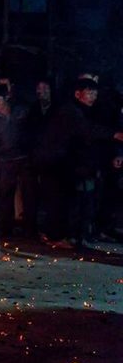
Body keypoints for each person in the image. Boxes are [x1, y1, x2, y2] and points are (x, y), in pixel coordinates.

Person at [36, 76, 123, 247]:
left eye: (95, 93)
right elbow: (86, 130)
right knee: (57, 200)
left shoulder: (81, 111)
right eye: (89, 93)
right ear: (78, 94)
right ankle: (54, 237)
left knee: (64, 200)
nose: (93, 97)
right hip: (54, 162)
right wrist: (114, 134)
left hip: (62, 163)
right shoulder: (70, 111)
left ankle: (60, 234)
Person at [0, 86, 28, 237]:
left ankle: (28, 228)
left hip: (24, 159)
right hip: (5, 161)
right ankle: (5, 229)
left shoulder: (20, 113)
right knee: (6, 195)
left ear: (6, 99)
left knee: (27, 195)